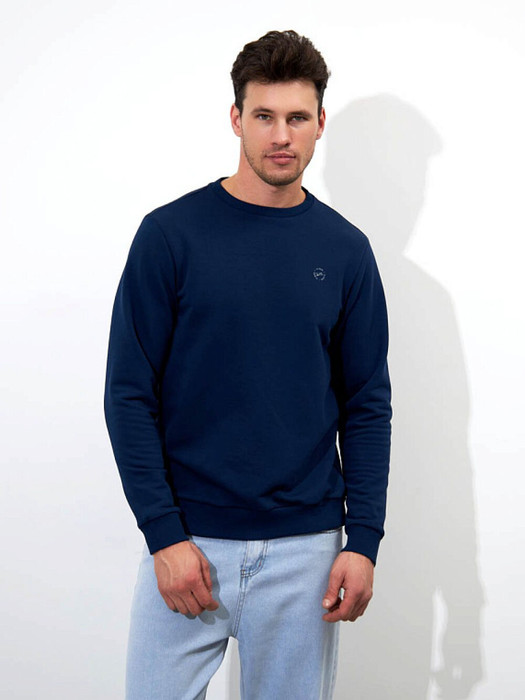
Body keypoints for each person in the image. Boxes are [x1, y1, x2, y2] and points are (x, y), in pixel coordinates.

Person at [104, 29, 392, 700]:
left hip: (305, 552)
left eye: (297, 117)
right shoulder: (170, 236)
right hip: (187, 543)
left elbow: (366, 405)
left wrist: (362, 541)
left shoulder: (345, 251)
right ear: (236, 118)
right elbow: (129, 394)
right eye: (264, 116)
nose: (281, 136)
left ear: (320, 122)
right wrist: (163, 535)